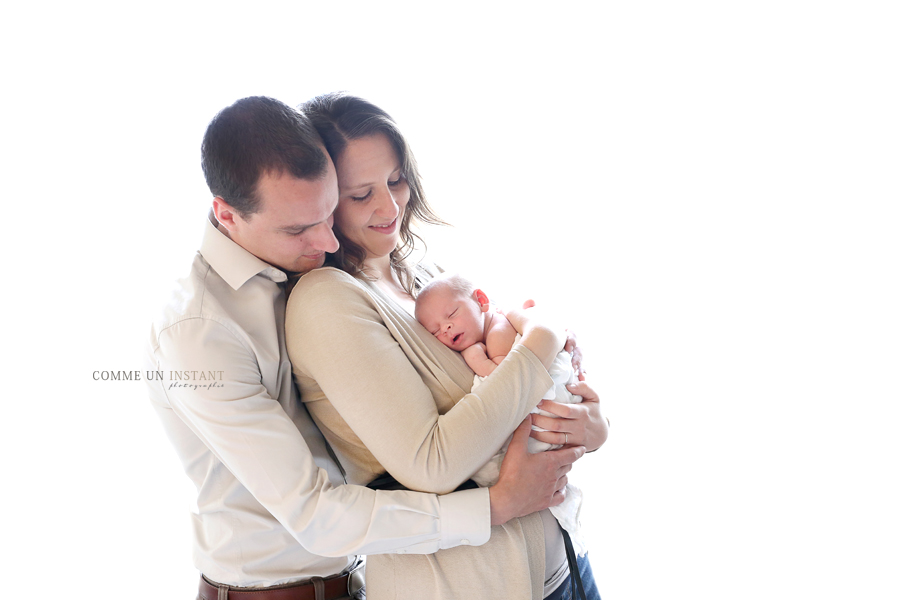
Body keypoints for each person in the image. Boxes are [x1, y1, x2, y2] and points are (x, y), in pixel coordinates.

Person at [145, 96, 584, 600]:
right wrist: (498, 503)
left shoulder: (389, 274)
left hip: (355, 579)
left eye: (329, 212)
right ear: (226, 214)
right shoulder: (202, 330)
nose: (328, 240)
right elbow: (318, 511)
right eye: (300, 227)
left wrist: (579, 419)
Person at [285, 92, 608, 600]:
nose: (389, 206)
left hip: (564, 561)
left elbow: (513, 374)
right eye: (360, 194)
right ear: (323, 199)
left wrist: (587, 425)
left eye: (395, 180)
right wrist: (544, 336)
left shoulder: (424, 277)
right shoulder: (327, 302)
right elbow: (432, 461)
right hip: (467, 586)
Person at [414, 272, 590, 556]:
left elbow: (506, 384)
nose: (446, 328)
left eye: (452, 315)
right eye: (435, 332)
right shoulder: (498, 323)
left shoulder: (496, 335)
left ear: (481, 301)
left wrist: (475, 358)